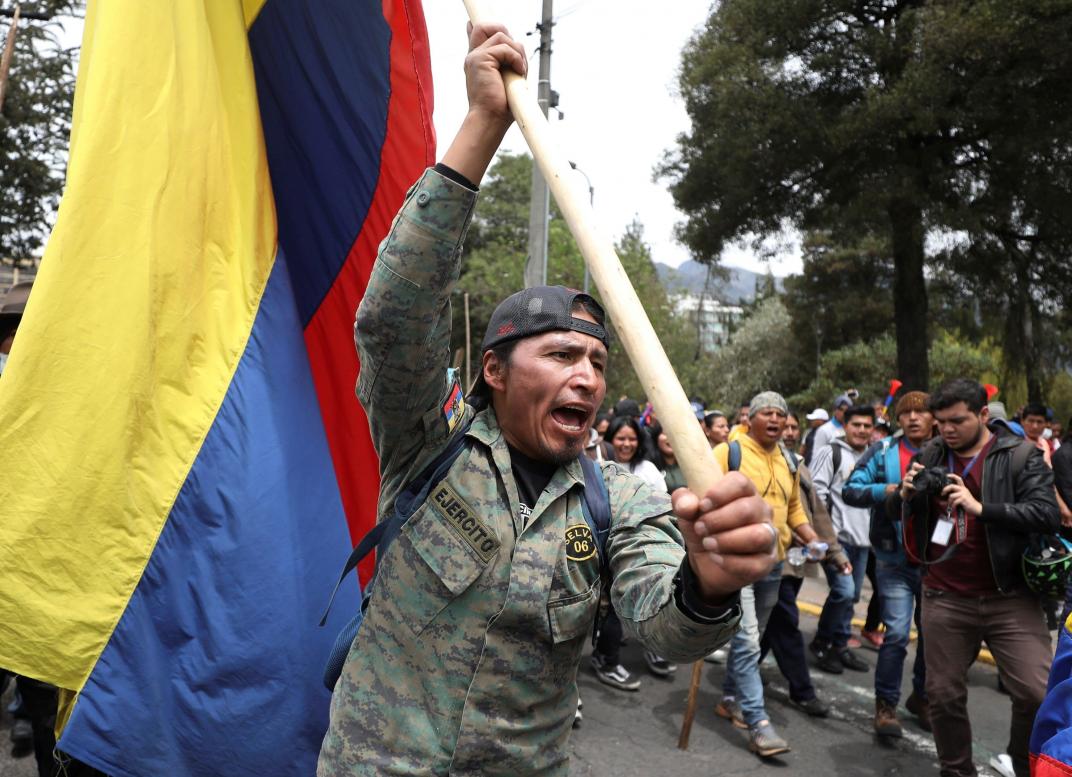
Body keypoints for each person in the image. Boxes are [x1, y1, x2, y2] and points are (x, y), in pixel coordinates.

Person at [317, 24, 777, 776]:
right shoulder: (427, 447)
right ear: (494, 371)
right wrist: (483, 126)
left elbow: (662, 630)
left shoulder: (620, 500)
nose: (589, 377)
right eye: (562, 354)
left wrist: (707, 584)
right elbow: (391, 319)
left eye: (597, 361)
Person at [892, 379, 1059, 777]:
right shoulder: (931, 452)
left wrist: (982, 508)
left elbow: (1046, 514)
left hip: (1010, 596)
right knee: (943, 695)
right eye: (941, 422)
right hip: (945, 594)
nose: (947, 430)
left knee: (1036, 695)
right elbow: (898, 510)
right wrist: (902, 495)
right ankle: (956, 770)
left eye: (957, 421)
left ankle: (1023, 765)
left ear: (983, 414)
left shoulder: (1019, 455)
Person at [713, 392, 824, 758]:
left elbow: (794, 509)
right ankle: (758, 723)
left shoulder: (790, 460)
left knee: (755, 638)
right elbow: (707, 498)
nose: (776, 420)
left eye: (781, 414)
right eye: (768, 413)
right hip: (738, 563)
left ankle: (730, 697)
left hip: (774, 565)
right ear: (750, 420)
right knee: (746, 641)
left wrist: (813, 539)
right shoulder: (730, 453)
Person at [844, 391, 934, 737]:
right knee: (896, 634)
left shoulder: (948, 452)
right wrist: (892, 490)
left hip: (936, 562)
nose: (913, 418)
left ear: (933, 418)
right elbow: (852, 489)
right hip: (893, 558)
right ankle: (886, 706)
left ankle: (923, 697)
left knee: (932, 636)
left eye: (921, 412)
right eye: (906, 413)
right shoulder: (882, 451)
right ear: (898, 419)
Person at [758, 411, 849, 719]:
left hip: (795, 564)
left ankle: (743, 673)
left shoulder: (799, 466)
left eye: (792, 426)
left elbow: (817, 513)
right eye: (784, 425)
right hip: (769, 559)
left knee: (770, 624)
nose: (788, 430)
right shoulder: (751, 461)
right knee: (785, 623)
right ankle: (802, 691)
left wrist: (834, 553)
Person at [593, 415, 675, 682]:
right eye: (621, 438)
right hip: (605, 547)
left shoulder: (648, 470)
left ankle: (648, 648)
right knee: (610, 608)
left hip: (640, 549)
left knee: (644, 601)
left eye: (632, 438)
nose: (626, 444)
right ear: (610, 439)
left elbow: (663, 506)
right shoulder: (599, 467)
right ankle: (606, 659)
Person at [809, 404, 876, 674]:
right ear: (845, 426)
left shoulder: (873, 457)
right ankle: (822, 642)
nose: (861, 430)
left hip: (863, 542)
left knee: (851, 597)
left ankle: (839, 645)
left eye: (866, 425)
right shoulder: (831, 452)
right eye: (856, 424)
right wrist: (826, 537)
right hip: (837, 540)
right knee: (844, 592)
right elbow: (816, 492)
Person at [807, 393, 852, 466]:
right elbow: (816, 456)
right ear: (835, 410)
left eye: (847, 410)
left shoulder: (853, 429)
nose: (844, 413)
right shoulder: (824, 430)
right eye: (841, 409)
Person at [650, 420, 687, 494]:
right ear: (656, 438)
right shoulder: (649, 467)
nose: (671, 438)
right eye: (665, 433)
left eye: (675, 434)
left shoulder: (689, 465)